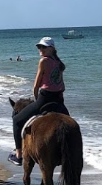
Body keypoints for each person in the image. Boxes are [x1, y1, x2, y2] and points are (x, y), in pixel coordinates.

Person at [8, 37, 68, 166]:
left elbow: (36, 85)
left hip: (45, 98)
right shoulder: (58, 62)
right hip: (59, 99)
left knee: (17, 120)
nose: (40, 49)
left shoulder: (43, 61)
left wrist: (36, 100)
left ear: (51, 48)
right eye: (39, 47)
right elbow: (61, 84)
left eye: (43, 47)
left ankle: (18, 155)